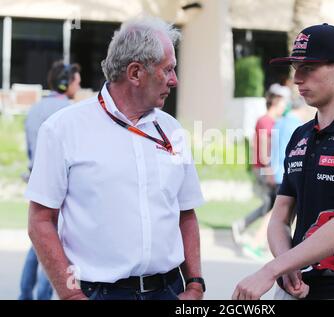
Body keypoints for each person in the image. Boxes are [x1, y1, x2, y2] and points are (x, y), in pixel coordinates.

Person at [25, 16, 205, 300]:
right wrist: (71, 295)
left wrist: (195, 284)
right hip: (99, 293)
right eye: (168, 69)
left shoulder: (173, 130)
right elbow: (40, 221)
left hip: (170, 291)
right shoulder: (63, 129)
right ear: (135, 73)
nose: (175, 80)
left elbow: (185, 213)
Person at [233, 23, 334, 300]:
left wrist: (271, 270)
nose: (297, 78)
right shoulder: (301, 135)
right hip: (292, 290)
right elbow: (280, 216)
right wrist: (287, 266)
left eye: (308, 68)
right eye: (296, 68)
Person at [19, 60, 81, 300]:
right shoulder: (67, 110)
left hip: (35, 178)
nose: (79, 84)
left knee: (37, 238)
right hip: (59, 184)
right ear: (66, 83)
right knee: (52, 242)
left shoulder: (35, 108)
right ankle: (43, 296)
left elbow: (29, 148)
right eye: (77, 80)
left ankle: (24, 294)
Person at [231, 83, 288, 258]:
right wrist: (269, 171)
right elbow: (263, 147)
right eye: (283, 103)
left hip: (268, 168)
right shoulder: (265, 121)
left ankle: (247, 228)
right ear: (276, 102)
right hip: (265, 169)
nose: (284, 107)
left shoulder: (274, 122)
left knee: (270, 204)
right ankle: (250, 232)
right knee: (272, 206)